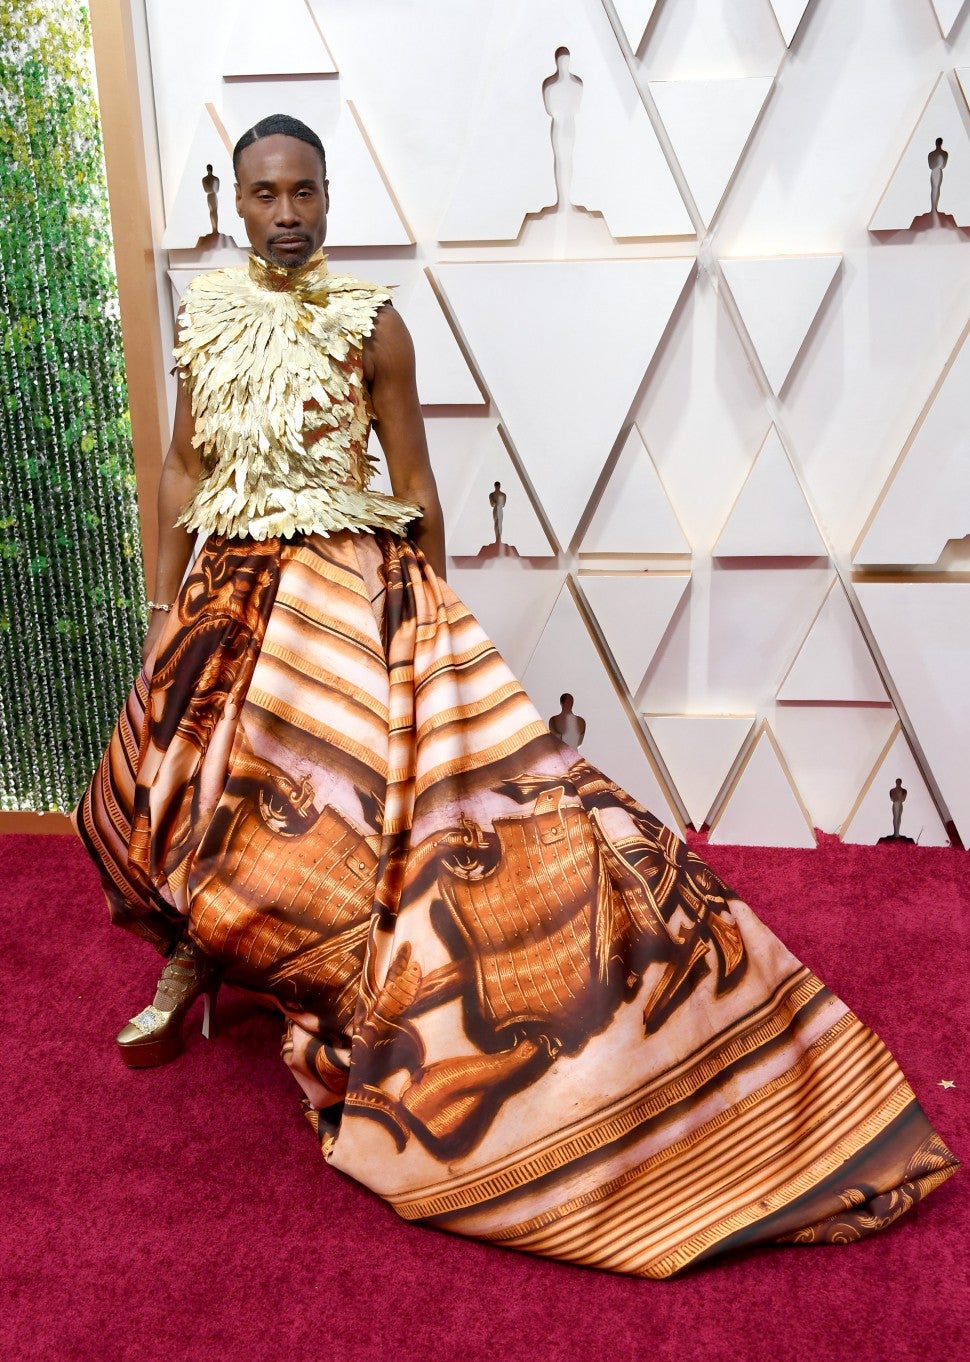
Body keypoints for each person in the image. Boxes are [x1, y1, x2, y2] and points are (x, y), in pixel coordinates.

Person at [75, 114, 957, 1280]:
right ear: (232, 205)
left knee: (353, 822)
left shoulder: (374, 324)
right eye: (262, 194)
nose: (285, 213)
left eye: (303, 192)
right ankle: (195, 951)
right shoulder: (203, 322)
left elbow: (417, 480)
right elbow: (186, 467)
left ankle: (330, 983)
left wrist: (424, 611)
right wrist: (163, 602)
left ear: (329, 199)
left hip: (348, 584)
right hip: (231, 581)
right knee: (173, 783)